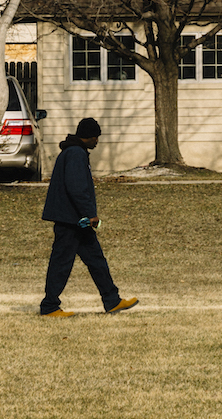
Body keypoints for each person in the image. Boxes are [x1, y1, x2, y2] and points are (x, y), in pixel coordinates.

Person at [38, 117, 137, 318]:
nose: (97, 142)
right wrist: (90, 214)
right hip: (71, 221)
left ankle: (112, 300)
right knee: (61, 263)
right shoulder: (76, 154)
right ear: (89, 137)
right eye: (96, 137)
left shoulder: (72, 152)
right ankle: (49, 306)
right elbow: (77, 188)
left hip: (75, 220)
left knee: (96, 260)